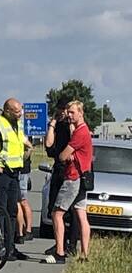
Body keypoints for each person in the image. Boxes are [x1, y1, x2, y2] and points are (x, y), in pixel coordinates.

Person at [44, 101, 93, 263]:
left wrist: (67, 155)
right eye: (69, 112)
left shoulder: (80, 132)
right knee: (81, 215)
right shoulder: (82, 131)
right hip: (82, 176)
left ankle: (60, 252)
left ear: (81, 113)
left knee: (57, 213)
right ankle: (84, 254)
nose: (69, 115)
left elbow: (62, 156)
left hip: (73, 177)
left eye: (72, 112)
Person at [0, 98, 33, 260]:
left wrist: (28, 148)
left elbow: (20, 141)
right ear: (7, 111)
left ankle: (11, 247)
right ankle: (1, 246)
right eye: (16, 111)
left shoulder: (18, 123)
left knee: (12, 211)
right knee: (1, 210)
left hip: (15, 171)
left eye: (20, 111)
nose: (20, 114)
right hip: (3, 172)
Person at [45, 105, 79, 255]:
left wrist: (71, 126)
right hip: (58, 169)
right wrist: (52, 124)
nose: (65, 114)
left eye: (68, 111)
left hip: (70, 170)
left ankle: (71, 245)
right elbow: (48, 146)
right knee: (53, 208)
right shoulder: (57, 125)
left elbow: (75, 143)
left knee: (71, 211)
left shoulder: (74, 127)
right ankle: (59, 243)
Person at [17, 151, 34, 242]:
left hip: (21, 170)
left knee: (21, 201)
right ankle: (24, 230)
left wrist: (22, 160)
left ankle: (25, 231)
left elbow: (29, 148)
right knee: (21, 201)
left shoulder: (22, 137)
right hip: (21, 169)